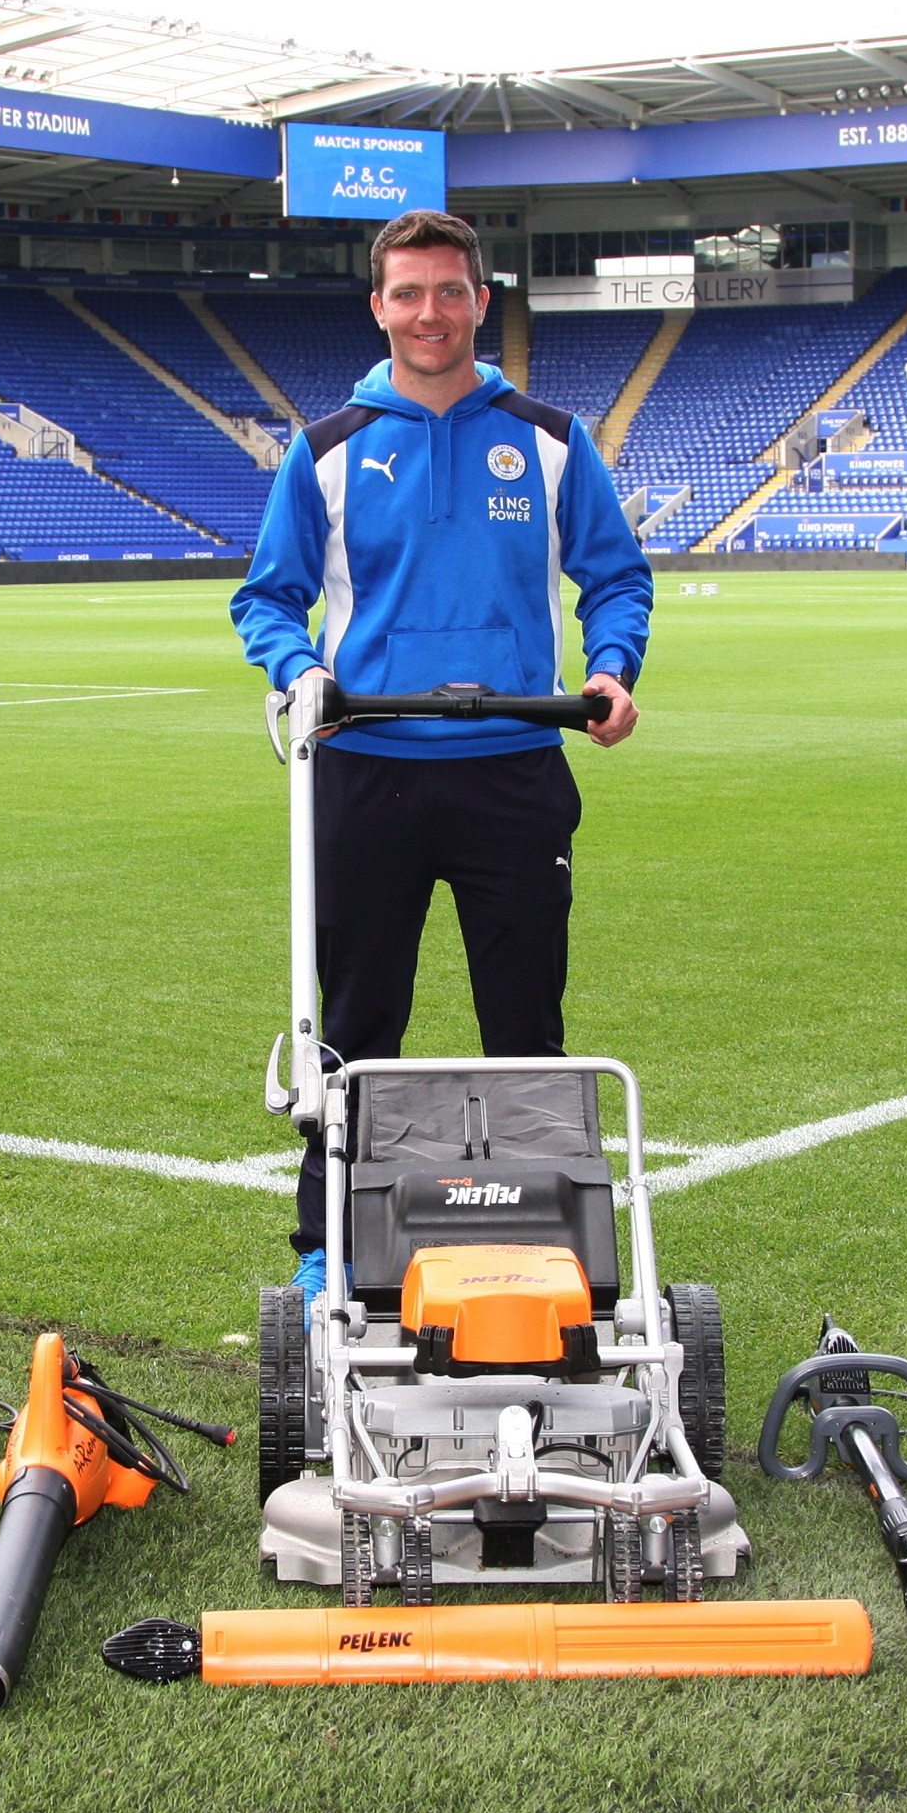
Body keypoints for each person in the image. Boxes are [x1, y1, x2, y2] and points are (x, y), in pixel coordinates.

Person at [229, 207, 653, 1296]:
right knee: (358, 1027)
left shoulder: (552, 440)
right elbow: (267, 600)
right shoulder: (324, 451)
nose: (430, 312)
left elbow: (615, 577)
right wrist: (297, 672)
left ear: (481, 301)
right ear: (379, 307)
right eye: (407, 293)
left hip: (514, 766)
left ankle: (551, 1252)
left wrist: (612, 668)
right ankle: (325, 1250)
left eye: (449, 291)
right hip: (367, 767)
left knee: (526, 1025)